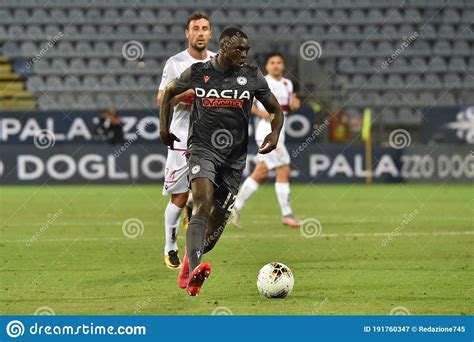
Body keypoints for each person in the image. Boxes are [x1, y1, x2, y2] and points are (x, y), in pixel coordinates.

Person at [160, 27, 284, 296]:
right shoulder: (199, 72)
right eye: (239, 49)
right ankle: (195, 270)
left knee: (215, 230)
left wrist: (274, 134)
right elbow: (169, 92)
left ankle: (190, 261)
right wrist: (163, 128)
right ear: (225, 46)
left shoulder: (251, 76)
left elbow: (275, 110)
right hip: (201, 150)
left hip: (234, 159)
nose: (244, 54)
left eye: (247, 50)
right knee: (201, 204)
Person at [156, 12, 215, 270]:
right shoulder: (176, 63)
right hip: (182, 138)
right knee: (179, 199)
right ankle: (170, 246)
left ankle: (196, 251)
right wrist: (185, 94)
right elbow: (161, 100)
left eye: (204, 28)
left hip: (212, 139)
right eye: (195, 28)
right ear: (187, 33)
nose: (200, 33)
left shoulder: (218, 62)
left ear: (210, 34)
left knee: (208, 198)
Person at [231, 53, 301, 228]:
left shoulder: (287, 84)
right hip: (266, 132)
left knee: (261, 172)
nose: (276, 65)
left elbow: (284, 108)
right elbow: (246, 102)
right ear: (267, 67)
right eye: (272, 63)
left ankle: (235, 206)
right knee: (283, 168)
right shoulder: (261, 81)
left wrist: (293, 105)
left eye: (279, 62)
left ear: (283, 66)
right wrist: (260, 112)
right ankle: (287, 214)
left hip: (279, 132)